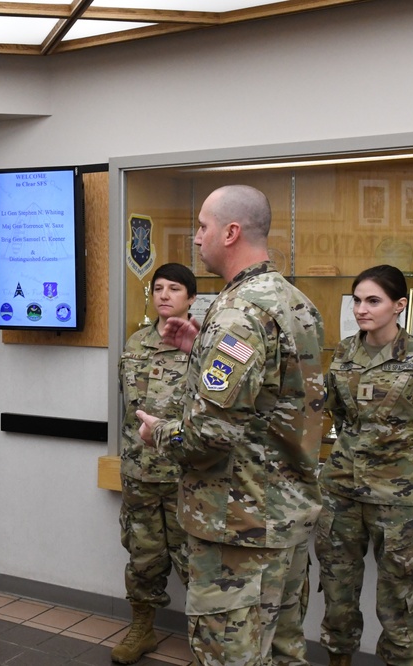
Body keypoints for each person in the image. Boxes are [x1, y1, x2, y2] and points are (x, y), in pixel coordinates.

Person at [136, 185, 325, 666]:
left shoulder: (238, 313)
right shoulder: (293, 301)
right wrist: (199, 348)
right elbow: (272, 396)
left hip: (238, 529)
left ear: (231, 231)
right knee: (283, 652)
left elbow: (210, 436)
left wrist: (157, 432)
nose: (197, 238)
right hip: (283, 517)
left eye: (202, 227)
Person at [316, 265, 413, 666]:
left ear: (399, 306)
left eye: (373, 301)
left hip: (400, 502)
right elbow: (336, 414)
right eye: (357, 300)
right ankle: (338, 658)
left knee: (398, 603)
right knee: (337, 593)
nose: (362, 309)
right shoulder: (344, 351)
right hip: (342, 492)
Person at [113, 262, 198, 664]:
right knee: (143, 558)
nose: (164, 295)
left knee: (196, 565)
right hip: (140, 474)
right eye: (158, 288)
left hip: (187, 477)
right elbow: (127, 410)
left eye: (174, 288)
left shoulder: (206, 348)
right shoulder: (134, 344)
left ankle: (205, 645)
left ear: (192, 298)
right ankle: (142, 629)